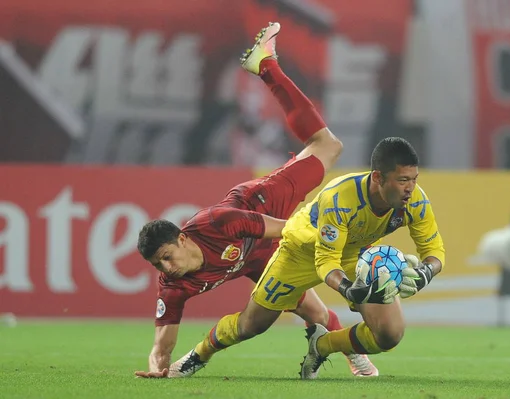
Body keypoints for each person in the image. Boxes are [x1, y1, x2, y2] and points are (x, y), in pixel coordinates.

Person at [134, 22, 379, 378]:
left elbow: (282, 228)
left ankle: (265, 66)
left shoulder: (218, 223)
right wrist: (157, 365)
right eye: (159, 265)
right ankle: (350, 355)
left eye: (167, 257)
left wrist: (324, 237)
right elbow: (162, 342)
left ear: (182, 238)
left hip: (264, 204)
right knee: (313, 313)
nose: (166, 268)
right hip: (256, 261)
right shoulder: (173, 285)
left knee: (328, 147)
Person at [166, 100, 445, 379]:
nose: (410, 188)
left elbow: (434, 250)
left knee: (389, 334)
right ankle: (198, 354)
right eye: (402, 180)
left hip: (353, 253)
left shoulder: (415, 202)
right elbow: (325, 260)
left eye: (414, 179)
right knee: (251, 325)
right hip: (299, 252)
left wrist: (425, 272)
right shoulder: (341, 199)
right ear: (378, 178)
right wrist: (349, 290)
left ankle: (322, 345)